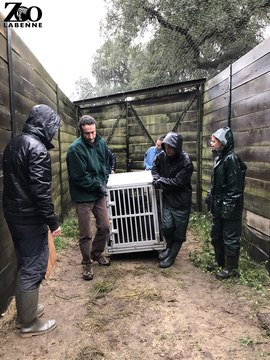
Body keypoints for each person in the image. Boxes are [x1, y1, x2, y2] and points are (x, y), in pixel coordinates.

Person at [2, 104, 61, 338]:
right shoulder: (37, 149)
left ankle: (24, 313)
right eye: (53, 128)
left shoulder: (14, 143)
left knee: (24, 263)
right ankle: (28, 323)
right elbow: (41, 192)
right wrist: (53, 223)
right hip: (29, 218)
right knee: (34, 267)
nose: (54, 133)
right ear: (45, 124)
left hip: (14, 216)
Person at [66, 115, 111, 282]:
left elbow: (106, 164)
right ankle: (86, 263)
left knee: (105, 226)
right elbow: (79, 177)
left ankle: (96, 253)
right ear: (81, 132)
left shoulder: (101, 142)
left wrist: (104, 181)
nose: (91, 137)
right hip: (83, 195)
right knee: (85, 233)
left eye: (93, 132)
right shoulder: (74, 150)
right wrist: (97, 185)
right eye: (87, 134)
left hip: (98, 193)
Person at [205, 126, 247, 279]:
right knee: (216, 235)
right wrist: (210, 196)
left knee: (230, 237)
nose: (212, 143)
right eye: (212, 141)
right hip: (219, 206)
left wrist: (227, 208)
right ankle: (220, 263)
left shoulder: (232, 159)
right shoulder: (220, 157)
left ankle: (231, 269)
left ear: (223, 142)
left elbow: (235, 189)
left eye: (214, 141)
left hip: (229, 208)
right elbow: (216, 183)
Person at [152, 132, 193, 268]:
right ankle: (168, 248)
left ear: (177, 147)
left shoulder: (186, 161)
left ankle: (172, 257)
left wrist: (161, 181)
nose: (168, 150)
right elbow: (154, 169)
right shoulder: (162, 156)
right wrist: (157, 177)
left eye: (171, 147)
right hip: (168, 199)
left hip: (181, 201)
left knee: (179, 233)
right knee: (167, 227)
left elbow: (178, 182)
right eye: (166, 147)